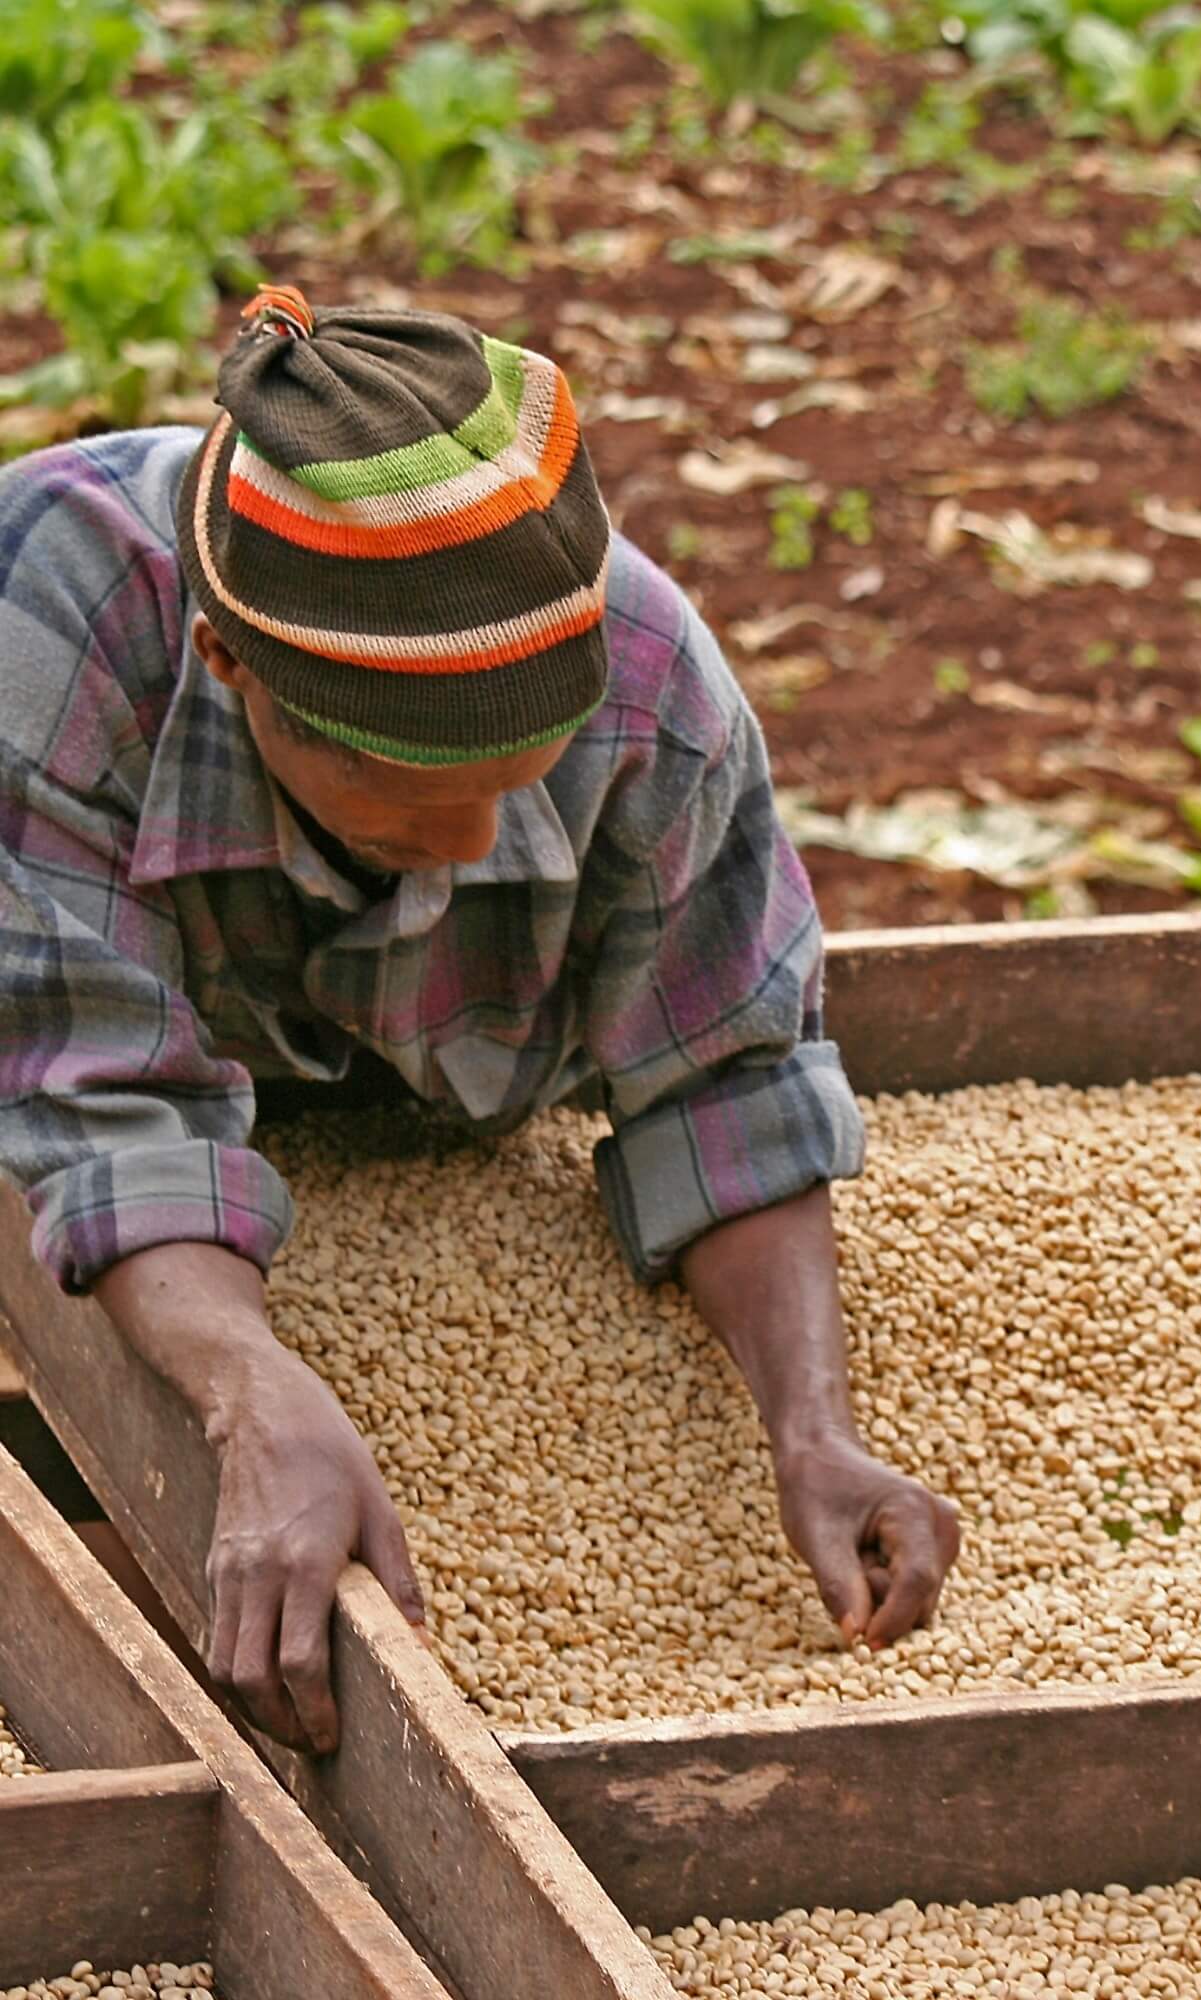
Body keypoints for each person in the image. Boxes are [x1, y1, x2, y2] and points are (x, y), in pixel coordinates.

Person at [0, 284, 960, 1754]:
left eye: (512, 787)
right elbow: (106, 1109)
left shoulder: (647, 682)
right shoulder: (50, 627)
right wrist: (251, 1390)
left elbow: (727, 1076)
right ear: (240, 667)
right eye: (405, 796)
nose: (464, 846)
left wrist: (810, 1427)